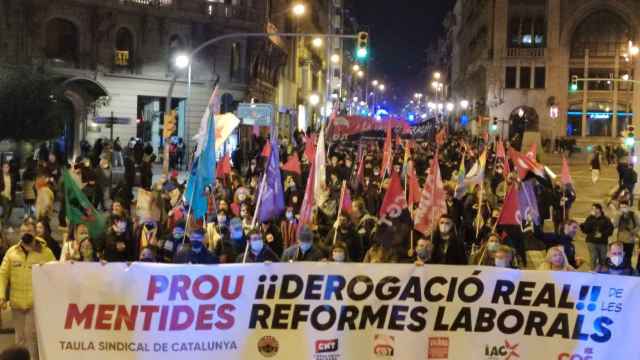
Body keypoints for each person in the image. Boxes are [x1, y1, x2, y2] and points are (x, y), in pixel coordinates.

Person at [0, 229, 55, 359]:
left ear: (35, 233)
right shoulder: (12, 252)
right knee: (19, 338)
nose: (25, 232)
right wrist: (1, 296)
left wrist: (48, 268)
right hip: (16, 303)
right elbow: (3, 274)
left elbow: (56, 270)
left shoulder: (45, 252)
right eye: (23, 230)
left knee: (31, 337)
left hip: (34, 302)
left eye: (29, 230)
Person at [580, 203, 614, 270]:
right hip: (591, 241)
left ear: (600, 210)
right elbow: (586, 229)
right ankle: (592, 272)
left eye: (595, 208)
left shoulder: (606, 219)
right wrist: (589, 221)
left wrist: (602, 234)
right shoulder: (590, 218)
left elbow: (610, 230)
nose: (594, 210)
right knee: (593, 256)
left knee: (603, 258)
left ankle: (601, 273)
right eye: (593, 209)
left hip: (602, 242)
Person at [612, 200, 639, 268]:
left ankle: (628, 269)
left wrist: (634, 231)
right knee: (620, 256)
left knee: (628, 256)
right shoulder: (618, 215)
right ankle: (621, 269)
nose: (623, 209)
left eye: (624, 207)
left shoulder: (633, 214)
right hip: (620, 240)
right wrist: (618, 215)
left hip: (630, 240)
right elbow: (615, 225)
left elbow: (638, 225)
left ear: (628, 207)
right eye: (621, 207)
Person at [0, 162, 16, 230]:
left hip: (10, 195)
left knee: (10, 210)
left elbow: (13, 186)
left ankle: (3, 221)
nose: (6, 169)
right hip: (3, 195)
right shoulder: (0, 176)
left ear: (9, 168)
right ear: (2, 168)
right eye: (5, 167)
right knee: (7, 209)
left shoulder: (11, 176)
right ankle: (5, 225)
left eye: (7, 167)